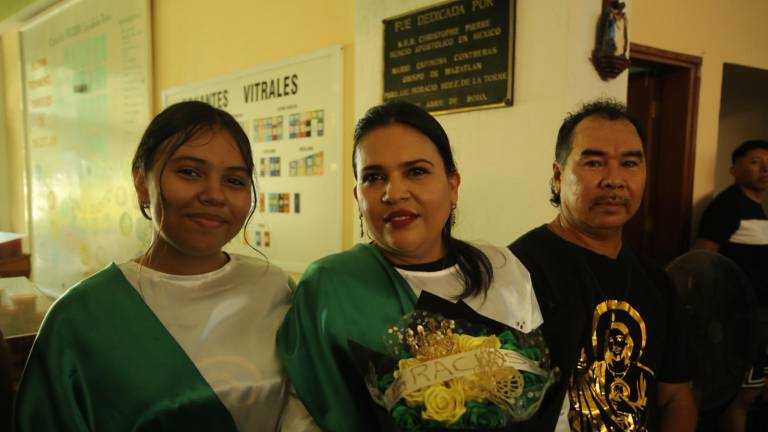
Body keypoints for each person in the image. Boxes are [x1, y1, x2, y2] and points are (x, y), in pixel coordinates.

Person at [278, 101, 560, 431]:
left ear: (452, 186)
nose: (394, 193)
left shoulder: (501, 268)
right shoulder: (329, 286)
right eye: (374, 177)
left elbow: (536, 384)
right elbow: (304, 413)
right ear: (358, 197)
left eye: (416, 171)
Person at [15, 101, 297, 431]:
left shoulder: (275, 288)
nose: (214, 195)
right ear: (140, 181)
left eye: (234, 180)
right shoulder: (81, 317)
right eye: (190, 172)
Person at [509, 100, 697, 431]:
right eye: (594, 163)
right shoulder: (516, 272)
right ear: (557, 176)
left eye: (629, 163)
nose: (614, 180)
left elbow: (676, 398)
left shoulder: (657, 282)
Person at [693, 139, 768, 432]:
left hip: (760, 315)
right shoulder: (727, 206)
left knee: (753, 391)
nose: (764, 168)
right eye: (755, 161)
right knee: (740, 394)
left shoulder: (757, 208)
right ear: (734, 170)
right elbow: (701, 258)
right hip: (740, 317)